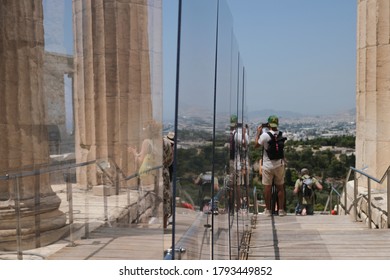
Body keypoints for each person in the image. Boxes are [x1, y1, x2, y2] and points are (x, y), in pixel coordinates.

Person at [255, 115, 287, 216]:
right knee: (280, 187)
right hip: (279, 165)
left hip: (268, 165)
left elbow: (256, 145)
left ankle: (268, 210)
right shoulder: (283, 134)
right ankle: (281, 210)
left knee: (267, 188)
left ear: (268, 124)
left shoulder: (265, 135)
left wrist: (258, 133)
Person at [162, 132, 175, 228]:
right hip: (165, 173)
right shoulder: (168, 146)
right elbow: (170, 160)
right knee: (166, 199)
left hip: (155, 173)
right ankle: (164, 225)